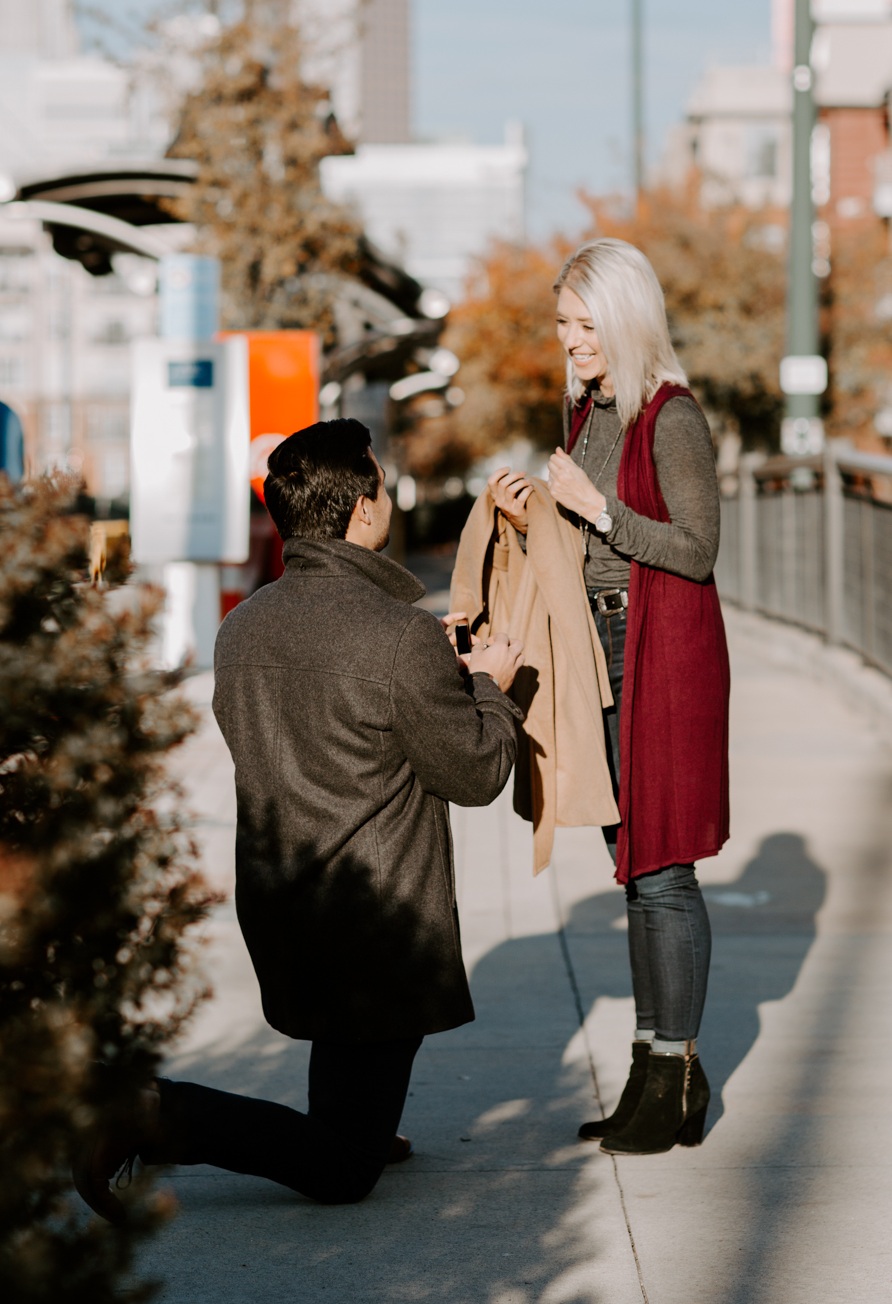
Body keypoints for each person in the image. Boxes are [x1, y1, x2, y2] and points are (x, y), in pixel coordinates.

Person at [74, 418, 523, 1222]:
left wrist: (430, 677)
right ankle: (150, 1112)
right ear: (363, 509)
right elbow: (476, 772)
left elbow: (321, 732)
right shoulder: (400, 635)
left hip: (286, 904)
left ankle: (358, 1122)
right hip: (378, 921)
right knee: (343, 1171)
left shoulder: (242, 627)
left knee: (354, 1092)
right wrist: (489, 685)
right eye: (381, 484)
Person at [486, 237, 730, 1156]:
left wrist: (595, 508)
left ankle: (671, 1074)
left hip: (656, 649)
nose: (571, 340)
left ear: (627, 320)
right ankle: (659, 1073)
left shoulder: (672, 418)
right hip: (593, 646)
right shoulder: (587, 407)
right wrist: (533, 514)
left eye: (587, 324)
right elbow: (586, 541)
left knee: (662, 869)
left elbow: (696, 550)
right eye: (563, 323)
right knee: (631, 865)